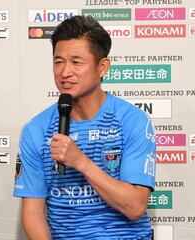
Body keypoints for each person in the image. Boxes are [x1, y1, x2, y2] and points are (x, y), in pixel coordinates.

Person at [13, 15, 156, 239]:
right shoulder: (36, 129)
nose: (65, 72)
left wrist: (80, 162)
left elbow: (135, 207)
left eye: (76, 62)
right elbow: (32, 212)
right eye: (58, 62)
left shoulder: (132, 121)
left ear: (102, 67)